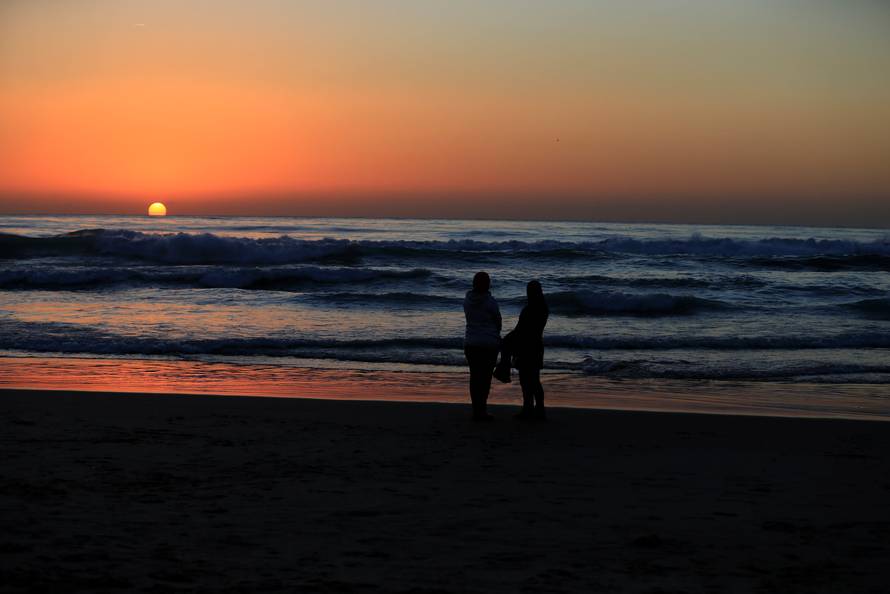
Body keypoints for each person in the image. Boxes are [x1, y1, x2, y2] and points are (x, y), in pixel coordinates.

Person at [494, 280, 549, 420]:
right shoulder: (543, 308)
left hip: (526, 347)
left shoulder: (529, 309)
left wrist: (509, 340)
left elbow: (521, 330)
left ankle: (528, 409)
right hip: (536, 346)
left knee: (526, 380)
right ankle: (539, 410)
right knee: (534, 380)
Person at [463, 271, 502, 421]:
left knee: (474, 377)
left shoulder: (467, 300)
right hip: (488, 344)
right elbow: (498, 321)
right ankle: (482, 410)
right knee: (485, 378)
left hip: (471, 342)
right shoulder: (490, 302)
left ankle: (476, 410)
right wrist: (496, 335)